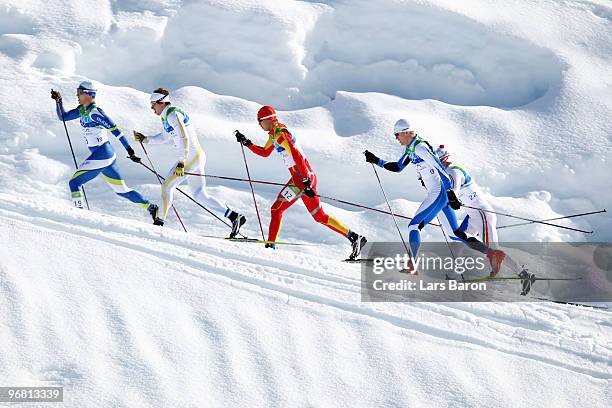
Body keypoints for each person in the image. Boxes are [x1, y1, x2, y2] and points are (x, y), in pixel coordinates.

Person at [364, 119, 505, 275]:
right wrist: (376, 160)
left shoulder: (420, 147)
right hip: (438, 193)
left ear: (405, 132)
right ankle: (492, 253)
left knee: (414, 226)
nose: (396, 138)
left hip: (438, 192)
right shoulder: (411, 149)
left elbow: (439, 167)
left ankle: (412, 265)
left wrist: (451, 192)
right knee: (455, 234)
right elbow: (398, 167)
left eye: (397, 134)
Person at [235, 105, 367, 259]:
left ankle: (270, 248)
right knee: (320, 216)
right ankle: (354, 237)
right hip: (305, 177)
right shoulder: (274, 134)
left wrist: (305, 182)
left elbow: (297, 156)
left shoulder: (281, 134)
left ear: (267, 120)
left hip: (301, 179)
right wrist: (247, 143)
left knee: (276, 210)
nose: (259, 125)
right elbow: (265, 153)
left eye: (260, 121)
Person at [134, 88, 246, 237]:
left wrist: (181, 162)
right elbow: (165, 137)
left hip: (190, 158)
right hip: (195, 157)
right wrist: (146, 139)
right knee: (200, 195)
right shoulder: (166, 115)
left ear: (162, 102)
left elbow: (183, 137)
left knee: (167, 186)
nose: (152, 108)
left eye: (153, 104)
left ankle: (159, 223)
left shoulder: (173, 114)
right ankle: (234, 217)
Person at [51, 81, 159, 221]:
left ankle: (79, 216)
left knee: (74, 183)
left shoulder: (96, 113)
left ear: (89, 94)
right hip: (104, 155)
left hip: (103, 154)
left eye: (80, 92)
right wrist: (59, 102)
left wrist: (130, 150)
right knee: (122, 190)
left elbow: (116, 131)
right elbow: (63, 117)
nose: (77, 95)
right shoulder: (82, 110)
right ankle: (151, 207)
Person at [435, 145, 499, 247]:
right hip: (472, 216)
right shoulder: (448, 173)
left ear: (444, 161)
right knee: (458, 243)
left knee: (492, 250)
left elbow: (453, 193)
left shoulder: (453, 171)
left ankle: (513, 264)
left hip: (482, 214)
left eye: (437, 163)